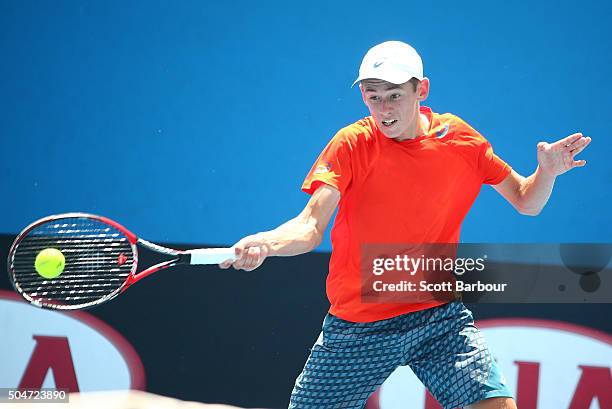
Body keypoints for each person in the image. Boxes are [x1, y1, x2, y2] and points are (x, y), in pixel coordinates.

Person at [219, 41, 591, 409]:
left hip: (438, 314)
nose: (384, 108)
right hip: (359, 323)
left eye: (394, 95)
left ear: (422, 89)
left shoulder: (459, 138)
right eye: (372, 96)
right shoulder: (351, 144)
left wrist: (547, 172)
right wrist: (267, 242)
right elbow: (311, 225)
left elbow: (527, 200)